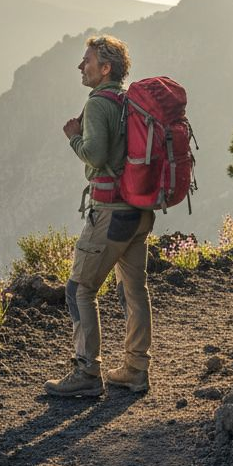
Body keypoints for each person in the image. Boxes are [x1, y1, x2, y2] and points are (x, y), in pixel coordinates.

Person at [45, 35, 154, 397]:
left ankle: (87, 373)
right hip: (139, 213)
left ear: (105, 68)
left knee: (80, 289)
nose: (81, 66)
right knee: (134, 292)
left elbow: (95, 154)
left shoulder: (97, 105)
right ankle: (136, 370)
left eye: (87, 61)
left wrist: (74, 137)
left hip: (110, 214)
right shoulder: (128, 102)